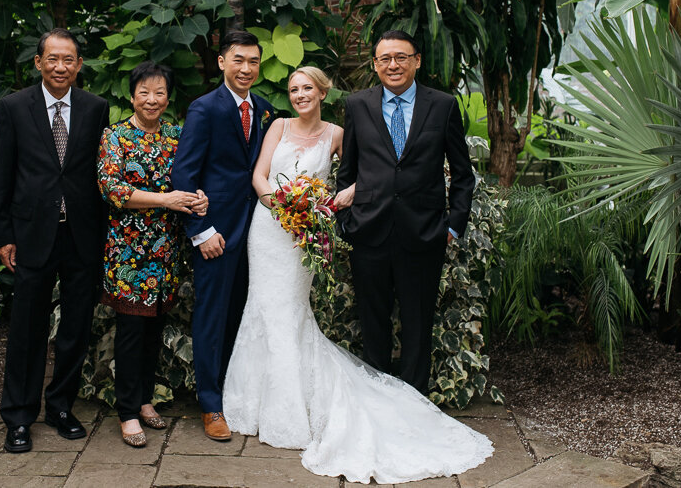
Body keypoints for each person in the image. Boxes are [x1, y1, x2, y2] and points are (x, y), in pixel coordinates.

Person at [223, 66, 492, 484]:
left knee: (290, 310)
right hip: (269, 226)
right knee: (261, 306)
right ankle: (258, 404)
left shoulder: (337, 132)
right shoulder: (276, 125)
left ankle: (297, 410)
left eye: (306, 88)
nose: (298, 95)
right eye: (293, 89)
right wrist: (282, 206)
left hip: (305, 232)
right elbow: (258, 175)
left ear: (322, 92)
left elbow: (363, 172)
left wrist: (326, 208)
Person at [336, 29, 476, 394]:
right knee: (373, 324)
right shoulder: (357, 105)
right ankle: (378, 405)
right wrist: (345, 222)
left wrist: (454, 226)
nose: (393, 64)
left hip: (424, 233)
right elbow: (347, 171)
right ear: (374, 65)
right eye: (385, 59)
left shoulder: (442, 105)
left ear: (416, 61)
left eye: (401, 57)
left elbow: (462, 174)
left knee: (417, 325)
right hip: (368, 232)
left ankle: (415, 404)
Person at [0, 28, 109, 453]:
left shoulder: (96, 108)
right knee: (26, 328)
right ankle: (19, 416)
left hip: (81, 234)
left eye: (69, 60)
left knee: (75, 328)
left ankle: (60, 407)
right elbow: (3, 174)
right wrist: (4, 234)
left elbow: (101, 174)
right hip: (31, 235)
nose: (61, 67)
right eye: (53, 59)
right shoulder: (14, 107)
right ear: (39, 62)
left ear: (79, 65)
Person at [171, 29, 275, 441]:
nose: (246, 68)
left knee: (243, 317)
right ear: (221, 62)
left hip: (259, 236)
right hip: (215, 235)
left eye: (253, 61)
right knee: (212, 318)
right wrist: (201, 232)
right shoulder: (203, 109)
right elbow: (185, 173)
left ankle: (238, 395)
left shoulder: (265, 110)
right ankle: (211, 404)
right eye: (238, 60)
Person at [96, 62, 208, 448]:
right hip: (129, 255)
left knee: (153, 331)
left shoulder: (177, 136)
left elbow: (194, 177)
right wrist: (165, 199)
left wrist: (198, 197)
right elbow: (112, 189)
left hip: (165, 253)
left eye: (159, 92)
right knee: (130, 333)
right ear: (132, 96)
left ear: (167, 97)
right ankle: (127, 413)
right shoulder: (117, 137)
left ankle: (144, 401)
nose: (152, 99)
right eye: (144, 92)